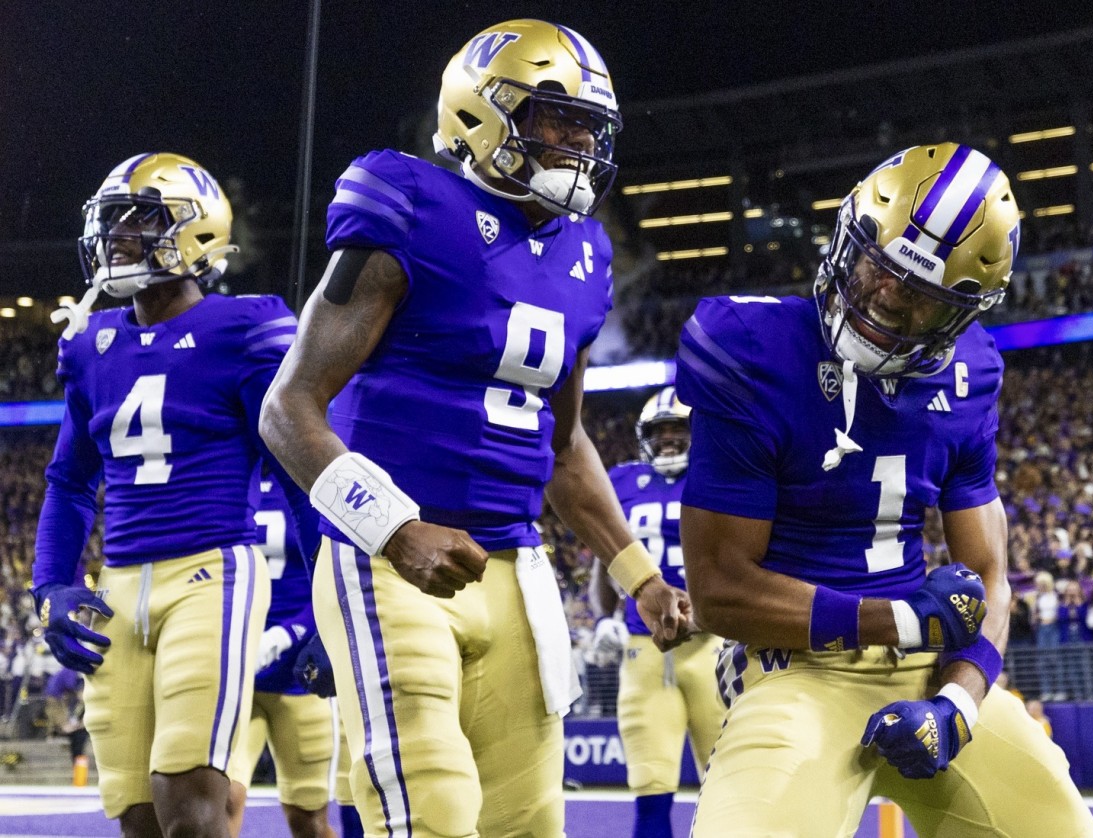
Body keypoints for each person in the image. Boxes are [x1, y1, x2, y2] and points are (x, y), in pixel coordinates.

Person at [259, 19, 692, 838]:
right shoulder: (410, 203)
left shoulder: (587, 256)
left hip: (515, 569)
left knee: (528, 824)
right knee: (432, 811)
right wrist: (394, 529)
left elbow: (561, 446)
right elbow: (288, 408)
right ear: (479, 112)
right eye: (554, 119)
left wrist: (638, 575)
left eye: (587, 127)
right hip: (388, 563)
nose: (575, 143)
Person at [677, 143, 1093, 836]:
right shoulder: (751, 347)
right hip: (795, 668)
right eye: (881, 266)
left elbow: (991, 577)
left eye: (922, 299)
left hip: (929, 669)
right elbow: (720, 588)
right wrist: (898, 619)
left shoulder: (971, 375)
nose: (883, 298)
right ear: (850, 238)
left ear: (964, 313)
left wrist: (958, 704)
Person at [31, 153, 315, 838]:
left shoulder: (244, 329)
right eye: (113, 222)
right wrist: (51, 585)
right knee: (135, 813)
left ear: (199, 234)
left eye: (143, 219)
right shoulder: (92, 343)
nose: (120, 236)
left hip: (212, 571)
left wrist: (327, 610)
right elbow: (70, 480)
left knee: (186, 795)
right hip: (120, 584)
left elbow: (303, 473)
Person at [590, 387, 725, 837]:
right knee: (651, 784)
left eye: (678, 429)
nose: (668, 438)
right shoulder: (623, 481)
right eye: (659, 431)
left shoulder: (722, 477)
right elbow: (603, 560)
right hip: (642, 649)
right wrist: (604, 618)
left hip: (713, 649)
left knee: (728, 784)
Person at [227, 466, 334, 838]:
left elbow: (332, 577)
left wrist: (289, 634)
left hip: (302, 674)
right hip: (238, 670)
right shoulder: (228, 470)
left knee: (308, 823)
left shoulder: (311, 472)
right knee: (223, 799)